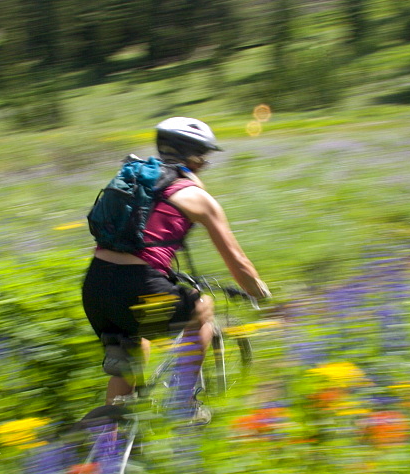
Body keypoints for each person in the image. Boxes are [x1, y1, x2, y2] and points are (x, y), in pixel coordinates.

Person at [82, 117, 270, 410]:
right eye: (204, 158)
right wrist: (259, 292)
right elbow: (238, 262)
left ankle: (112, 442)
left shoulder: (137, 183)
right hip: (140, 285)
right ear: (194, 157)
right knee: (202, 310)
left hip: (96, 287)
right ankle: (182, 403)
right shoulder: (197, 197)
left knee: (131, 357)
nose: (204, 164)